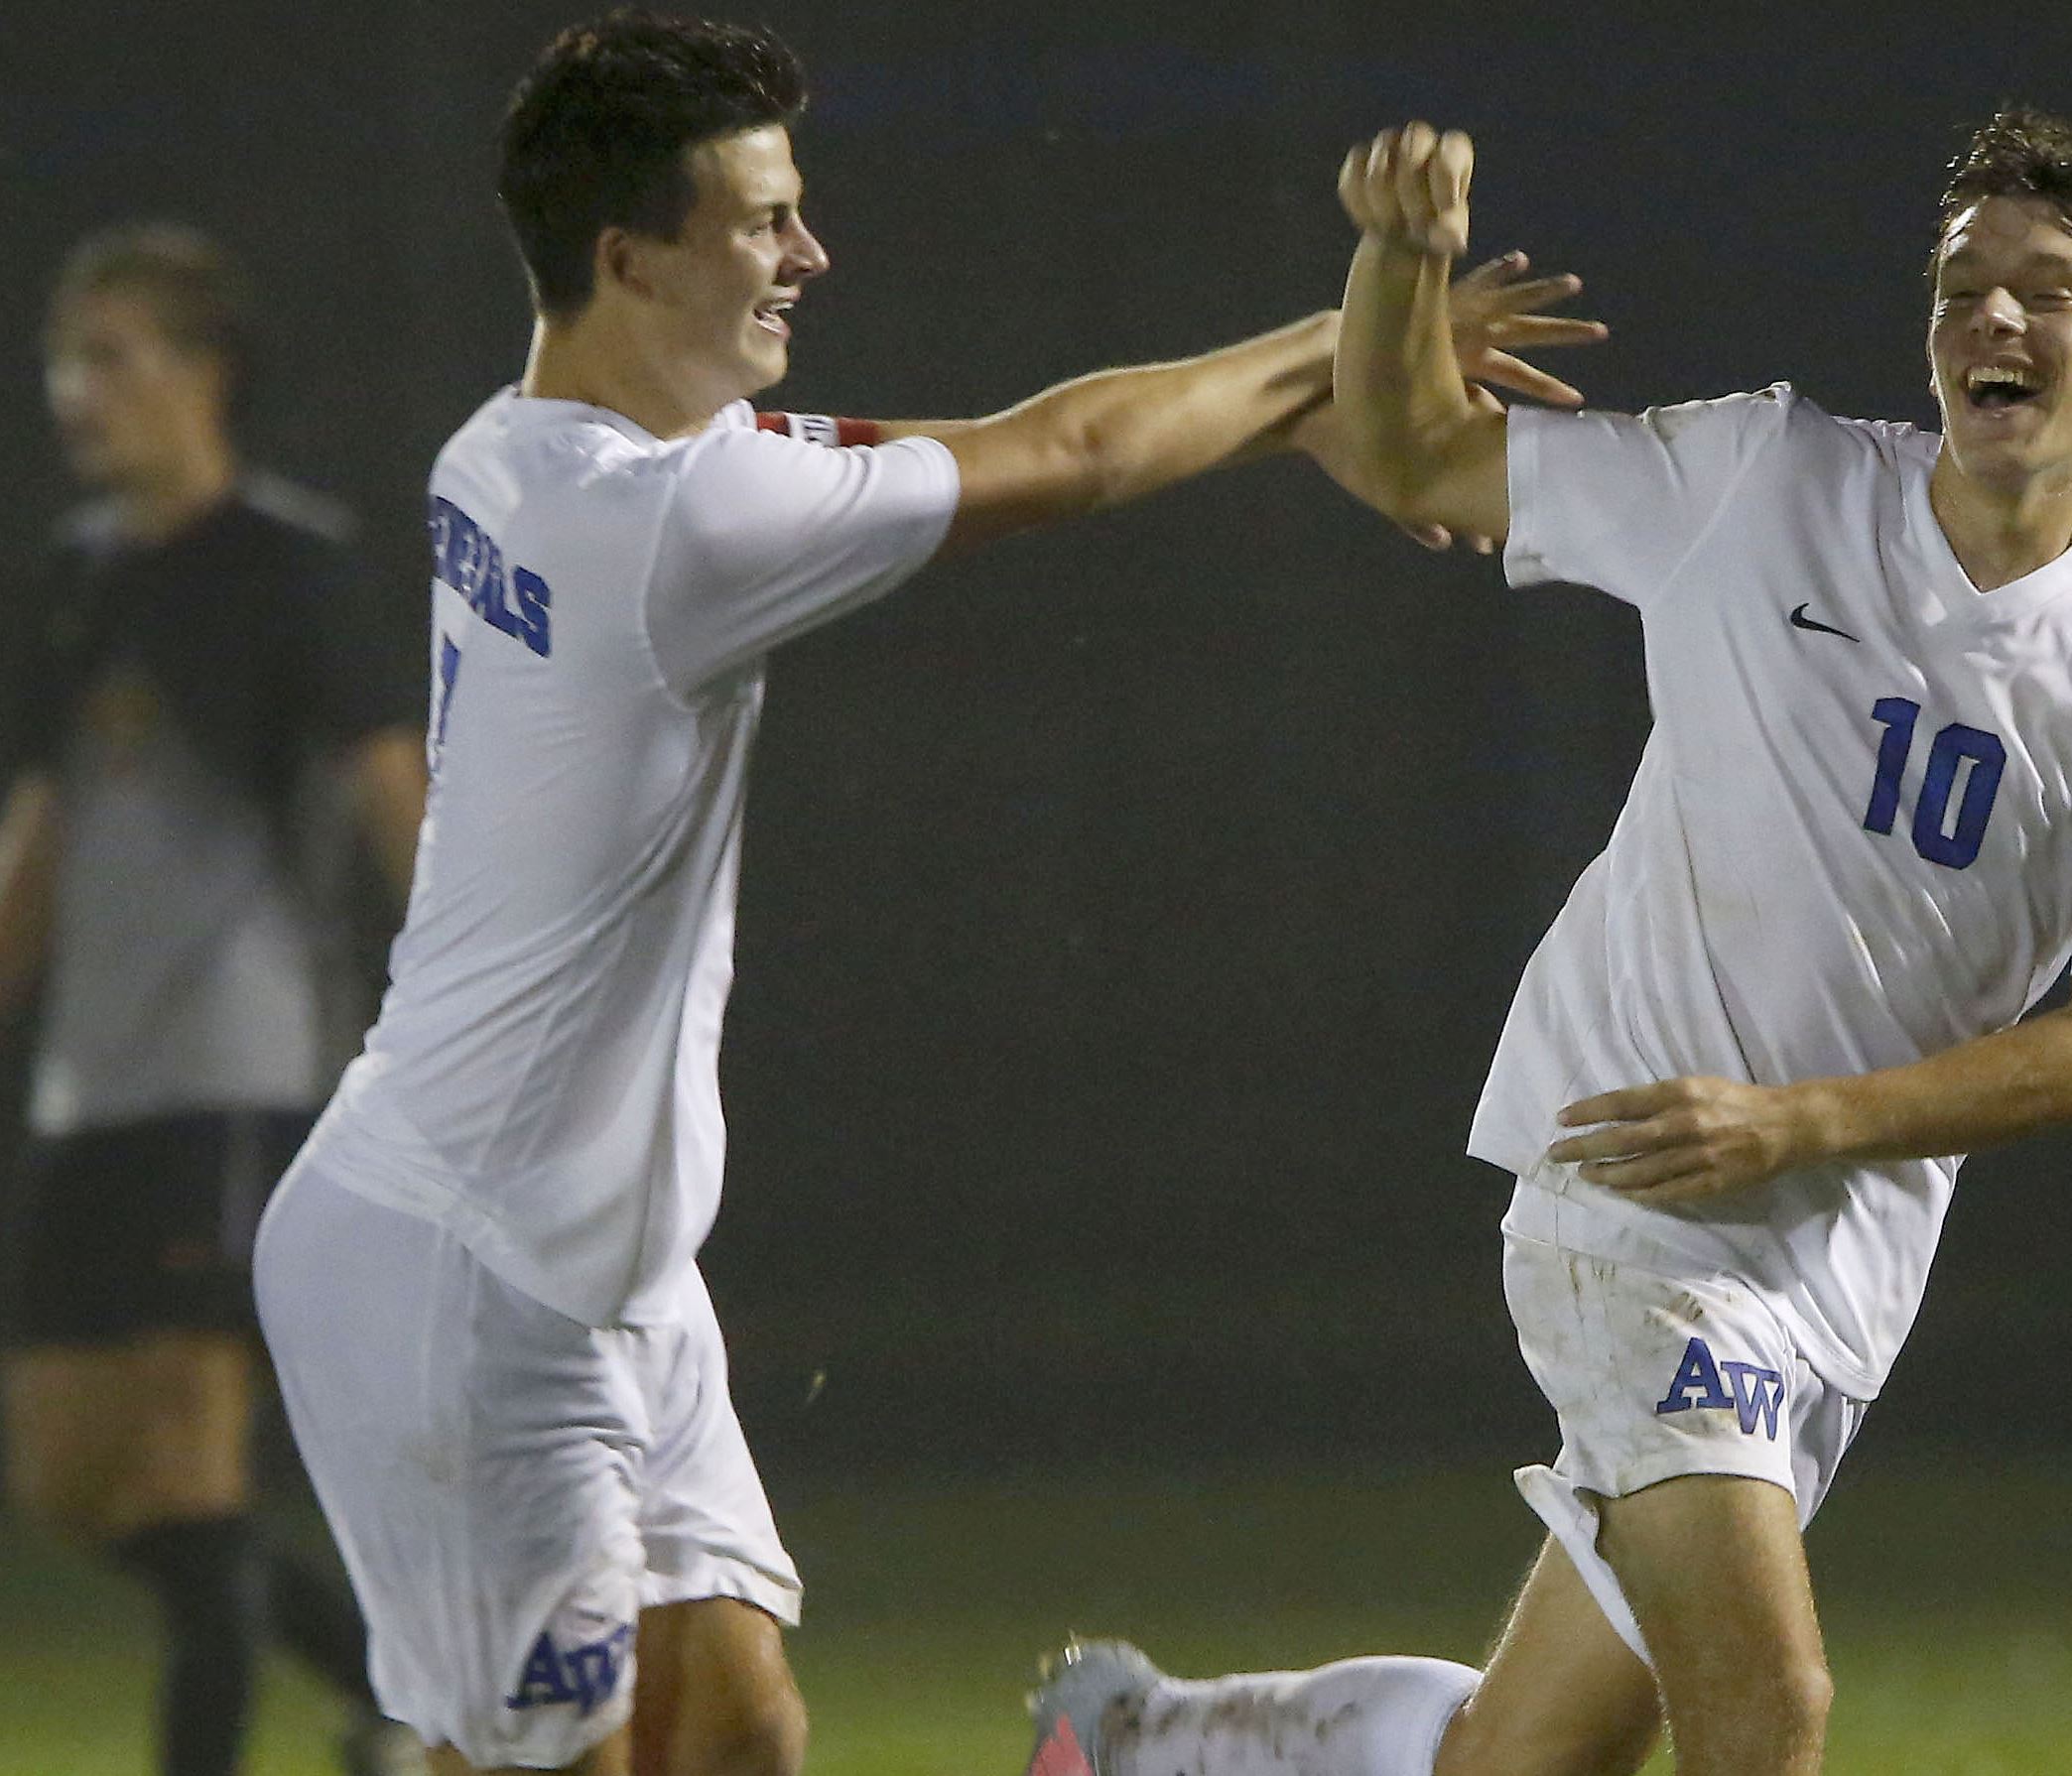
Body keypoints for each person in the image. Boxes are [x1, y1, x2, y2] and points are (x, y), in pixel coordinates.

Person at [244, 14, 1599, 1775]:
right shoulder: (678, 524)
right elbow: (1078, 454)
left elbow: (1004, 435)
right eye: (763, 219)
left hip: (589, 1265)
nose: (807, 254)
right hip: (468, 1280)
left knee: (734, 1735)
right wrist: (1355, 327)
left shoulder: (515, 453)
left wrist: (1304, 401)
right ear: (627, 253)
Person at [1021, 107, 2072, 1776]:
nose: (1997, 319)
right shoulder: (1770, 477)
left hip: (1835, 1260)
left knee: (1523, 1763)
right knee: (1768, 1709)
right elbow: (1419, 457)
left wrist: (1798, 1126)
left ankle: (1154, 1738)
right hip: (1631, 1188)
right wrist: (1401, 263)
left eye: (2051, 292)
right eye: (1966, 284)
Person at [0, 225, 432, 1776]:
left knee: (187, 1468)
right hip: (92, 1090)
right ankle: (396, 1685)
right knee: (71, 1479)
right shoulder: (73, 580)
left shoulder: (289, 565)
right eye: (66, 357)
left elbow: (401, 801)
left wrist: (471, 1018)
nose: (75, 389)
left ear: (207, 373)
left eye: (112, 353)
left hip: (242, 1074)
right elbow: (42, 837)